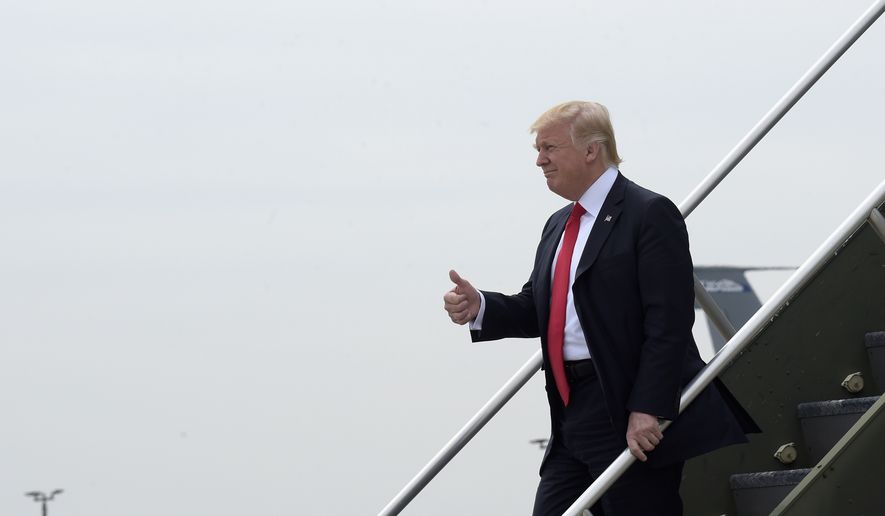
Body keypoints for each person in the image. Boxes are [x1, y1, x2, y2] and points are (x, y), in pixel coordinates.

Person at [443, 101, 758, 516]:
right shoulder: (558, 223)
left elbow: (669, 322)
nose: (540, 160)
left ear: (591, 150)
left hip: (624, 404)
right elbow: (542, 308)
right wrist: (480, 305)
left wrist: (648, 407)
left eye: (549, 147)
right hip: (569, 410)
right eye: (538, 150)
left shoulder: (649, 213)